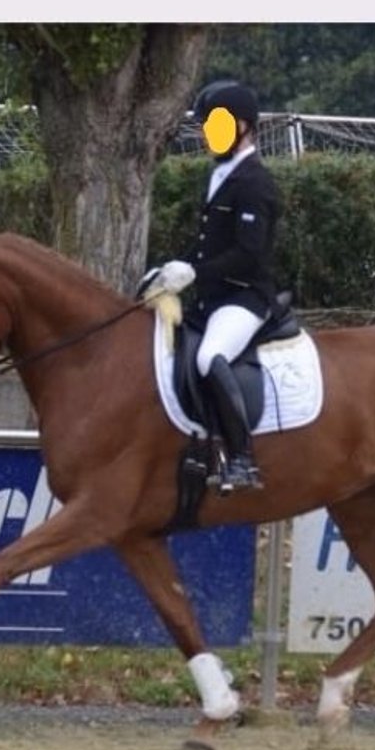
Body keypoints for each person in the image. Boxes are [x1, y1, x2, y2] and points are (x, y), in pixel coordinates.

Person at [147, 80, 281, 493]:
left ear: (242, 126)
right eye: (207, 126)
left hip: (244, 297)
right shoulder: (221, 174)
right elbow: (208, 243)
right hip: (213, 298)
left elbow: (247, 254)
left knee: (209, 357)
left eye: (217, 125)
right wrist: (170, 269)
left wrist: (195, 273)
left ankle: (243, 460)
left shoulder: (255, 182)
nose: (208, 134)